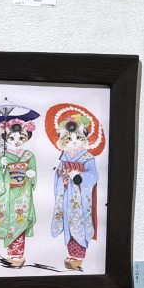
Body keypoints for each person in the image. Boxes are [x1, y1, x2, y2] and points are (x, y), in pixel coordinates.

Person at [46, 104, 104, 271]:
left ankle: (78, 256)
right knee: (67, 222)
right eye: (69, 139)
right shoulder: (63, 156)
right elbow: (59, 176)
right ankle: (71, 254)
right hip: (66, 195)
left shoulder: (87, 157)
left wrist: (78, 177)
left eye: (78, 138)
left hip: (80, 197)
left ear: (84, 138)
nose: (73, 142)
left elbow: (94, 175)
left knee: (79, 222)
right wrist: (59, 171)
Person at [0, 119, 37, 268]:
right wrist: (3, 167)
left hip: (23, 194)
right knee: (9, 221)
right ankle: (11, 254)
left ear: (27, 137)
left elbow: (33, 173)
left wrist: (31, 174)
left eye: (21, 138)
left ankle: (18, 255)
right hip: (7, 194)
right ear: (5, 138)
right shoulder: (4, 157)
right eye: (12, 138)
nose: (17, 141)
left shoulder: (29, 155)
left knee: (20, 220)